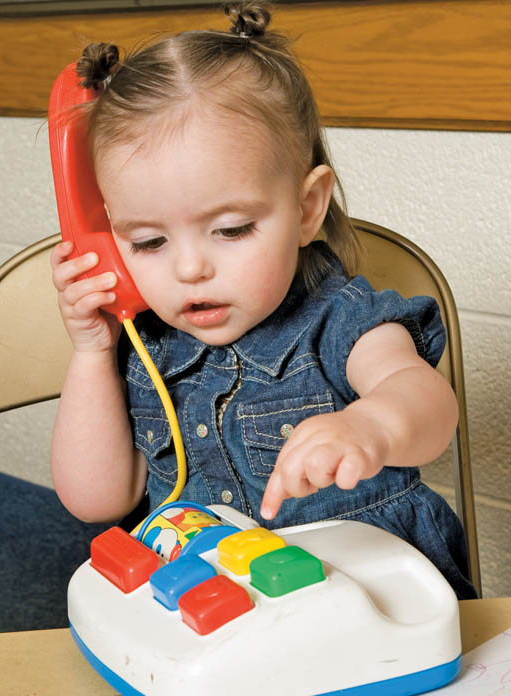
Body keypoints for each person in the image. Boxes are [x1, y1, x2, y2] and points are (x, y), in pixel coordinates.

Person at [50, 1, 476, 599]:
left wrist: (371, 424)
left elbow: (429, 406)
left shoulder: (342, 322)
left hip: (362, 605)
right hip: (213, 607)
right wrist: (93, 352)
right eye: (147, 241)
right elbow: (95, 500)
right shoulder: (145, 348)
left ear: (306, 209)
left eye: (230, 230)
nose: (190, 268)